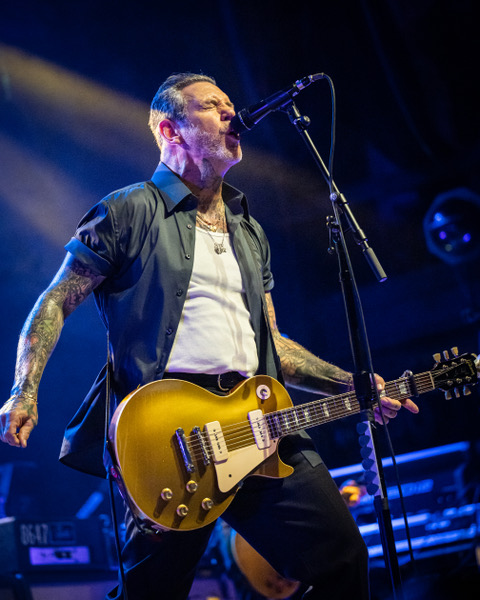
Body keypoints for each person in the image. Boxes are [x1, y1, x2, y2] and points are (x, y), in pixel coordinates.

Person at [0, 72, 419, 599]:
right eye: (211, 105)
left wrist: (350, 384)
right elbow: (55, 300)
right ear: (169, 130)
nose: (230, 112)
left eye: (228, 103)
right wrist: (24, 388)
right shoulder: (128, 210)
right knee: (153, 593)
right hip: (170, 436)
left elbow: (273, 343)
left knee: (344, 559)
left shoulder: (250, 230)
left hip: (259, 422)